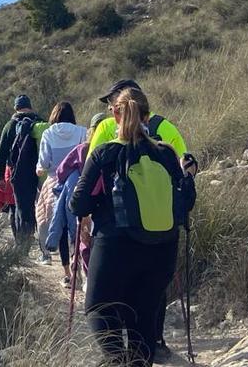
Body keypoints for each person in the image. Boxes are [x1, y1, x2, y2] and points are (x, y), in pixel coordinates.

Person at [70, 88, 196, 366]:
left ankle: (116, 360)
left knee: (99, 308)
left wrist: (97, 205)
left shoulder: (105, 153)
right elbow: (185, 203)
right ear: (148, 117)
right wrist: (189, 175)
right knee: (144, 318)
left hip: (115, 245)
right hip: (162, 248)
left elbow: (77, 205)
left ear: (114, 114)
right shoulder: (167, 153)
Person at [47, 112, 107, 289]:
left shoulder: (83, 149)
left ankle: (80, 276)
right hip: (104, 204)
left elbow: (61, 171)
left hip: (81, 201)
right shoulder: (117, 148)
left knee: (80, 240)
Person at [34, 102, 85, 275]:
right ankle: (77, 263)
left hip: (55, 182)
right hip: (78, 182)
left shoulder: (48, 133)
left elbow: (44, 163)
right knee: (78, 225)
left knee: (59, 223)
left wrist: (40, 169)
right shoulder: (82, 131)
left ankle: (67, 274)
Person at [0, 95, 47, 245]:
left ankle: (22, 241)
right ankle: (43, 241)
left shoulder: (10, 125)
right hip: (42, 170)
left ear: (16, 108)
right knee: (40, 204)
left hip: (18, 171)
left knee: (17, 205)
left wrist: (0, 177)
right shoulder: (41, 121)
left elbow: (1, 153)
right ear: (30, 106)